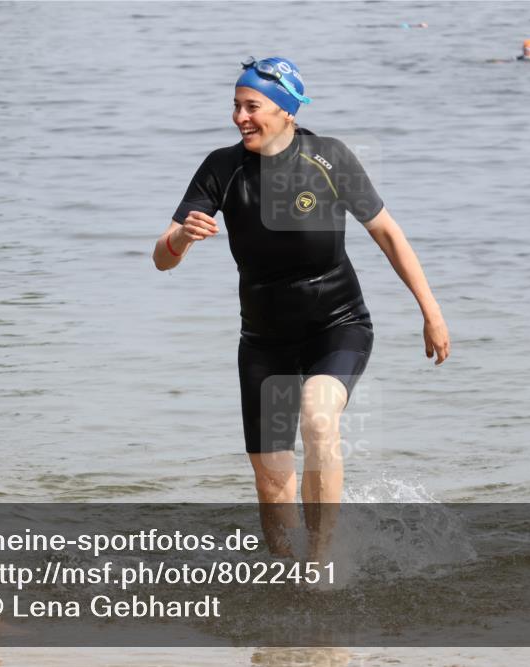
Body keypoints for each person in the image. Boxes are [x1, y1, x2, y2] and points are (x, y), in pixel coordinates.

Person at [154, 57, 450, 551]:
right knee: (272, 488)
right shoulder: (222, 168)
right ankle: (288, 584)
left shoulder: (328, 157)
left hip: (338, 324)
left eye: (253, 107)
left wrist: (431, 312)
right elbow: (161, 258)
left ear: (287, 111)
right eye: (236, 106)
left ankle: (321, 561)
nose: (240, 117)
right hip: (264, 342)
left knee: (318, 416)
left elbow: (388, 235)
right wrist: (182, 237)